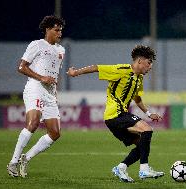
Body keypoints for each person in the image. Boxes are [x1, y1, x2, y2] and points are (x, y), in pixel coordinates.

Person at [67, 45, 164, 182]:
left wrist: (148, 113)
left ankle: (121, 168)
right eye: (149, 63)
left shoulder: (139, 78)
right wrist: (75, 73)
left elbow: (137, 98)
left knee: (142, 144)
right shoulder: (121, 70)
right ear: (140, 61)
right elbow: (96, 67)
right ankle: (144, 169)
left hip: (118, 117)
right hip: (115, 114)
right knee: (147, 129)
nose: (150, 67)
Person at [7, 15, 66, 178]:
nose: (59, 33)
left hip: (49, 93)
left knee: (55, 133)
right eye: (56, 30)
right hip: (35, 88)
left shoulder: (61, 50)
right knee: (32, 123)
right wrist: (41, 78)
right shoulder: (37, 45)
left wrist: (55, 94)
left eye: (61, 30)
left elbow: (55, 74)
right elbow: (21, 66)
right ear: (47, 29)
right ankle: (13, 162)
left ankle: (27, 157)